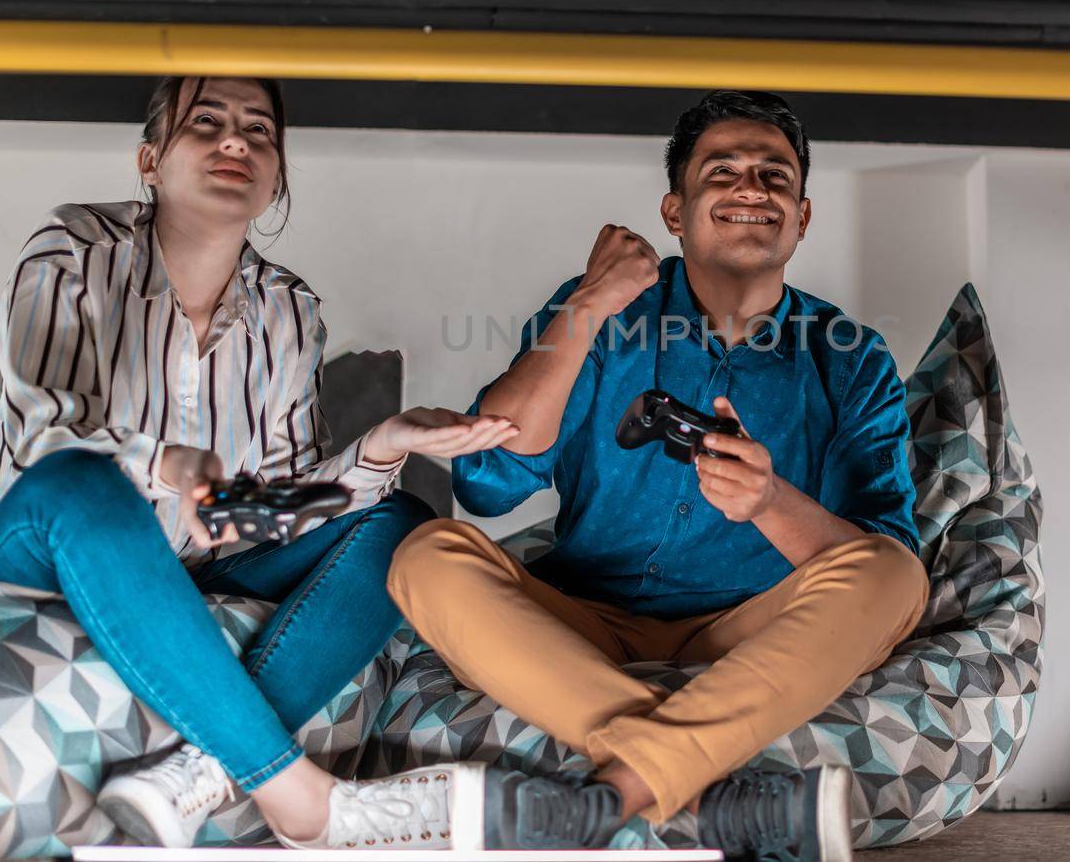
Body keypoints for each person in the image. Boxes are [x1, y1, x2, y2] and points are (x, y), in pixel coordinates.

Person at [0, 76, 520, 850]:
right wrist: (168, 464)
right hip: (26, 556)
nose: (236, 141)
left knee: (402, 522)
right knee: (81, 484)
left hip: (191, 566)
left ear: (276, 176)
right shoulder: (73, 249)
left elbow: (263, 514)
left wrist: (382, 445)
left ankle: (201, 770)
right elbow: (49, 435)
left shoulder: (289, 312)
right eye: (205, 122)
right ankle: (295, 790)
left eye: (259, 131)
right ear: (151, 159)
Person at [387, 90, 930, 862]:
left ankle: (610, 796)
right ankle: (702, 793)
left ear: (802, 216)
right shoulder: (598, 317)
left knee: (897, 578)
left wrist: (771, 502)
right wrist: (591, 297)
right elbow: (487, 483)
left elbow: (883, 552)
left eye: (775, 176)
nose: (752, 189)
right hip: (584, 621)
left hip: (749, 630)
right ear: (674, 212)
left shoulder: (850, 356)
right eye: (724, 171)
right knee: (423, 553)